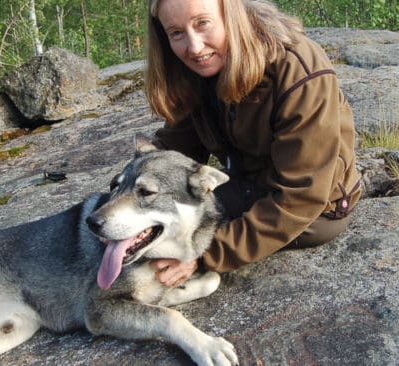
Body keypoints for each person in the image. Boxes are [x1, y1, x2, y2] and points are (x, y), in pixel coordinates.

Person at [144, 0, 362, 286]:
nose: (194, 47)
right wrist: (127, 190)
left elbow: (299, 198)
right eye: (176, 33)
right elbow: (177, 145)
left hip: (313, 211)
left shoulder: (296, 69)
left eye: (202, 23)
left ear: (231, 14)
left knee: (169, 238)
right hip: (246, 185)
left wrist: (202, 253)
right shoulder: (202, 66)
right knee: (148, 216)